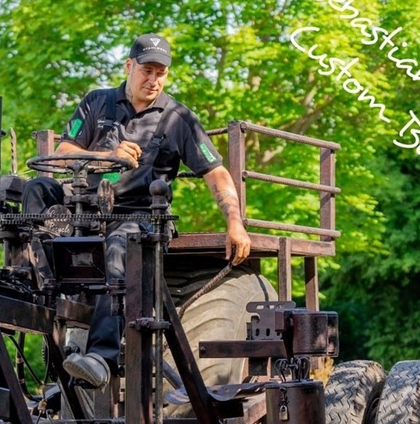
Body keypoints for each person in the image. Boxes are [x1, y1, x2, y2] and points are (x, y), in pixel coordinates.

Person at [23, 33, 251, 389]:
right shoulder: (97, 102)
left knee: (119, 245)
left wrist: (235, 222)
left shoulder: (179, 118)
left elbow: (215, 172)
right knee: (37, 189)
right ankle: (44, 288)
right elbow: (65, 150)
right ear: (129, 66)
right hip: (83, 211)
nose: (154, 80)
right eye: (147, 70)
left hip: (139, 219)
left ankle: (101, 357)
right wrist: (105, 157)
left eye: (161, 73)